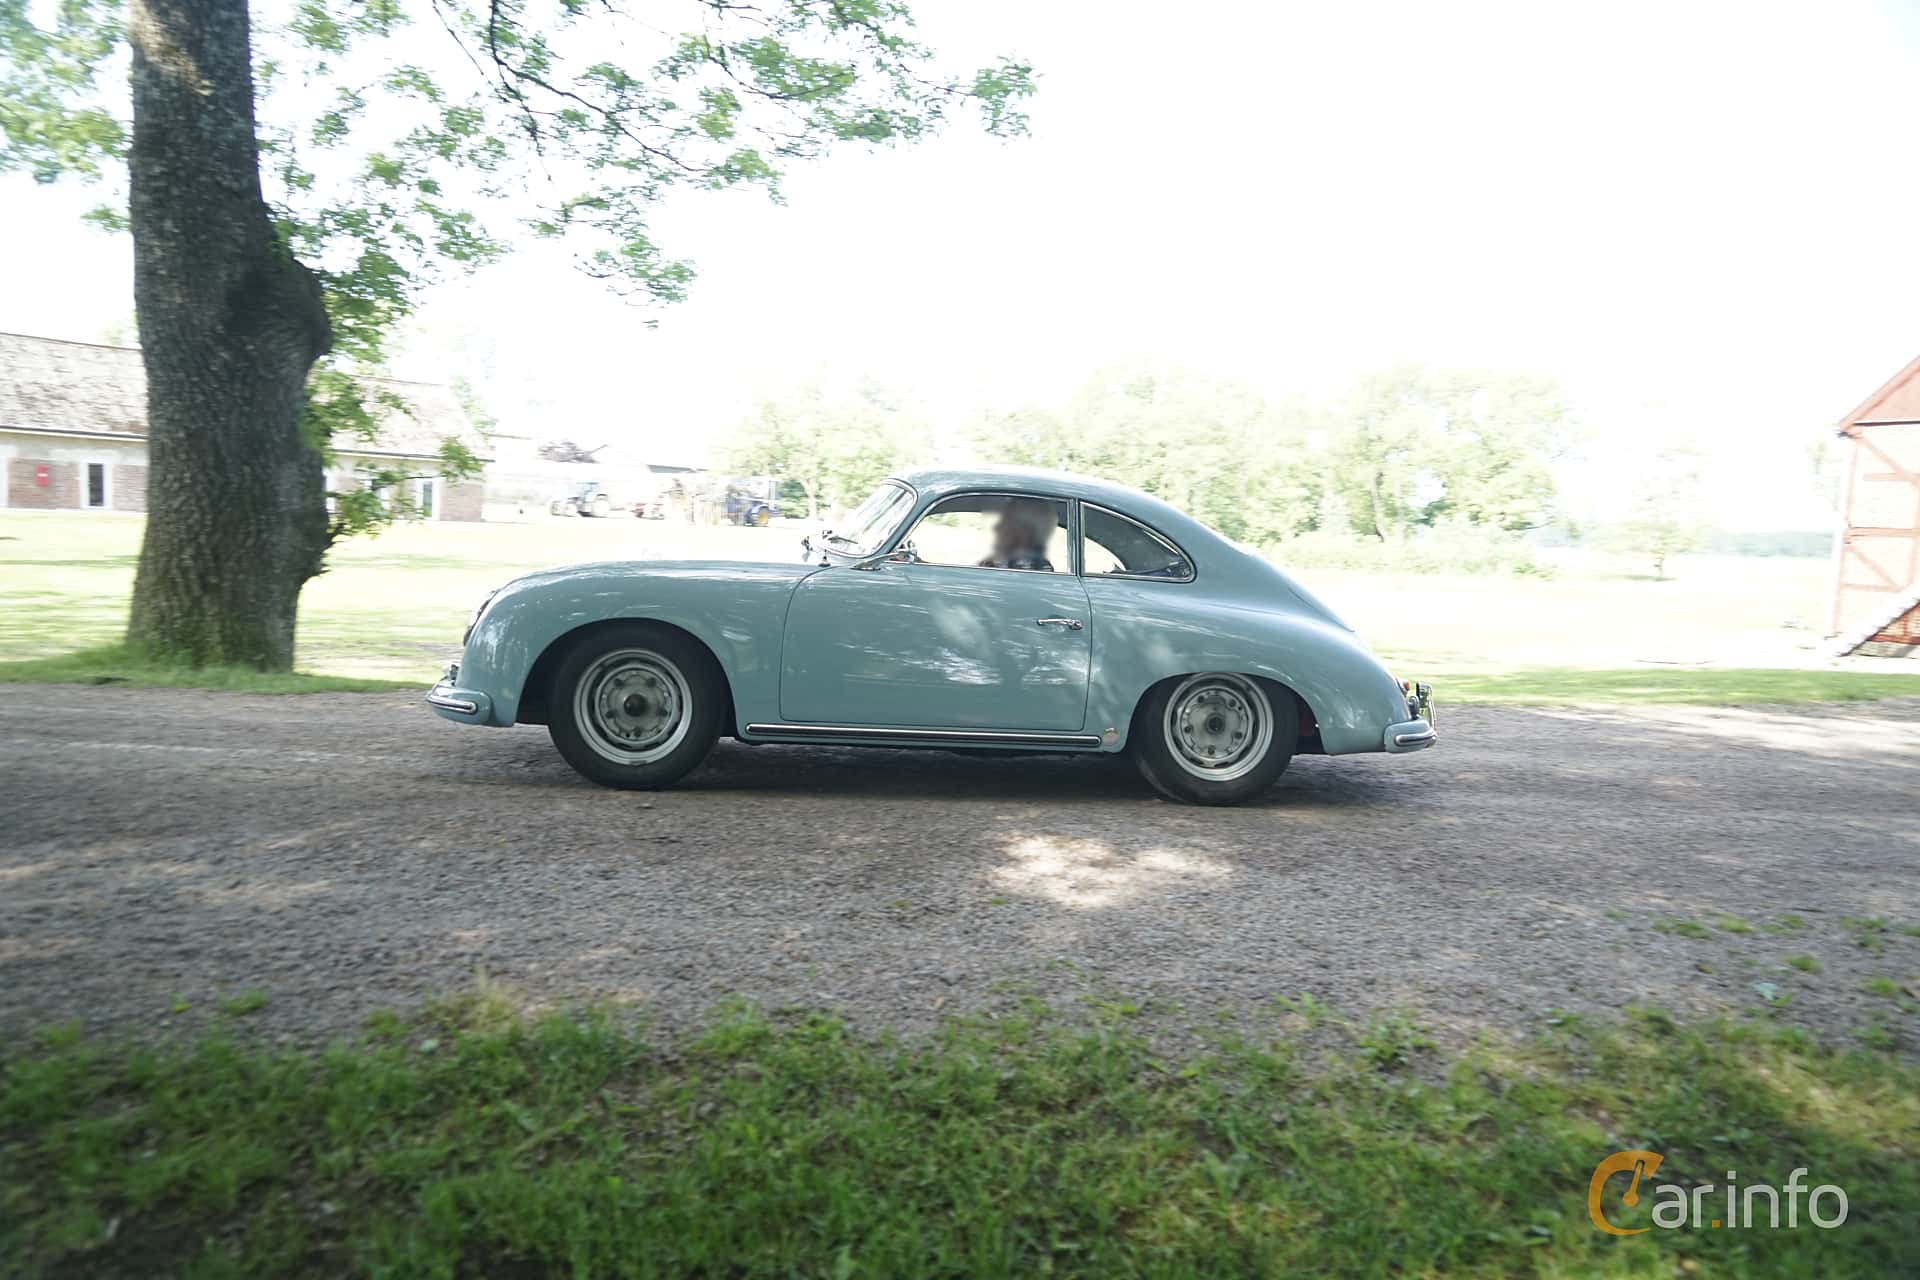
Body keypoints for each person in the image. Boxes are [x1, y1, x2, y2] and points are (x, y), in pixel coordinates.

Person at [979, 497, 1057, 571]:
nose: (996, 527)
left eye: (1006, 521)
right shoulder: (993, 562)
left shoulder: (1037, 569)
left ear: (1024, 532)